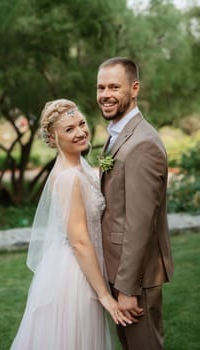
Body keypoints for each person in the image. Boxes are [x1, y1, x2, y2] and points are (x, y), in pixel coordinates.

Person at [10, 98, 131, 350]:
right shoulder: (68, 178)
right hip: (74, 276)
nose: (80, 132)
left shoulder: (81, 168)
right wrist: (105, 296)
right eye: (69, 129)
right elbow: (79, 241)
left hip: (84, 268)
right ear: (53, 139)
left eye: (82, 124)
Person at [97, 57, 174, 350]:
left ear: (135, 88)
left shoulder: (143, 143)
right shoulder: (118, 135)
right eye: (101, 87)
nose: (105, 94)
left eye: (114, 87)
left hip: (135, 277)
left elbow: (141, 225)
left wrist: (127, 290)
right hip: (120, 271)